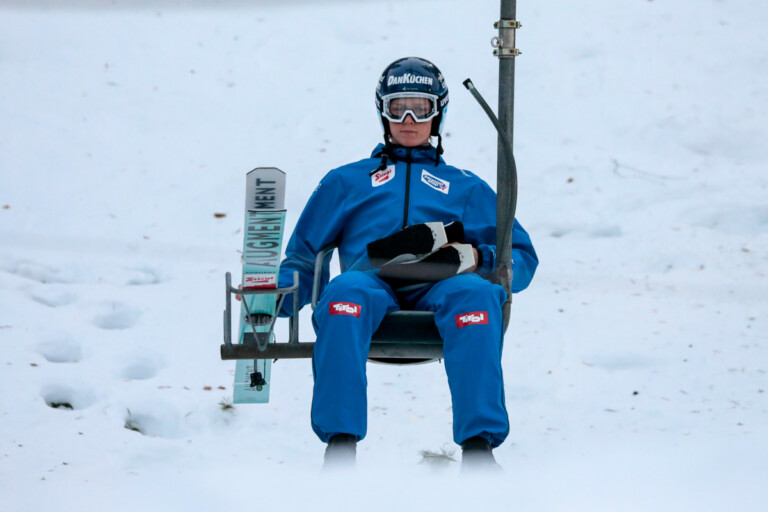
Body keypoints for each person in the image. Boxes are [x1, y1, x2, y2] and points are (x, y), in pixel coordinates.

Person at [275, 57, 538, 468]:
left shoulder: (467, 187)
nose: (410, 119)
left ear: (440, 112)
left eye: (422, 107)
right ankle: (340, 444)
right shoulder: (347, 181)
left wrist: (485, 260)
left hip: (441, 284)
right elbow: (306, 253)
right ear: (383, 111)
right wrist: (280, 297)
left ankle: (478, 449)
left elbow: (519, 255)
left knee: (475, 294)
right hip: (371, 283)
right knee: (343, 292)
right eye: (398, 108)